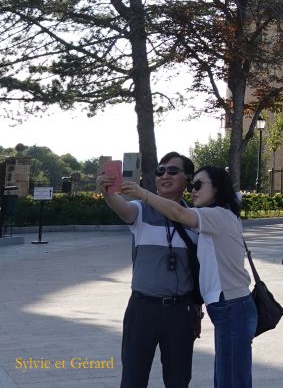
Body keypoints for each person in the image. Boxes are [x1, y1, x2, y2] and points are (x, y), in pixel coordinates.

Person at [121, 165, 256, 388]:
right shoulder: (219, 215)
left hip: (232, 306)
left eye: (199, 185)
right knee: (228, 377)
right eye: (192, 185)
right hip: (229, 306)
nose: (193, 190)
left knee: (231, 380)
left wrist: (144, 194)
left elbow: (178, 213)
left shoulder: (217, 215)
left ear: (218, 188)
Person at [96, 152, 201, 388]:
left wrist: (197, 309)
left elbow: (196, 270)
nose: (165, 175)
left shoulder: (194, 218)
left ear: (187, 179)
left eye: (173, 171)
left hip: (180, 311)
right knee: (133, 378)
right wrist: (107, 193)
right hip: (142, 309)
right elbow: (121, 208)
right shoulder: (141, 210)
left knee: (178, 379)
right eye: (160, 171)